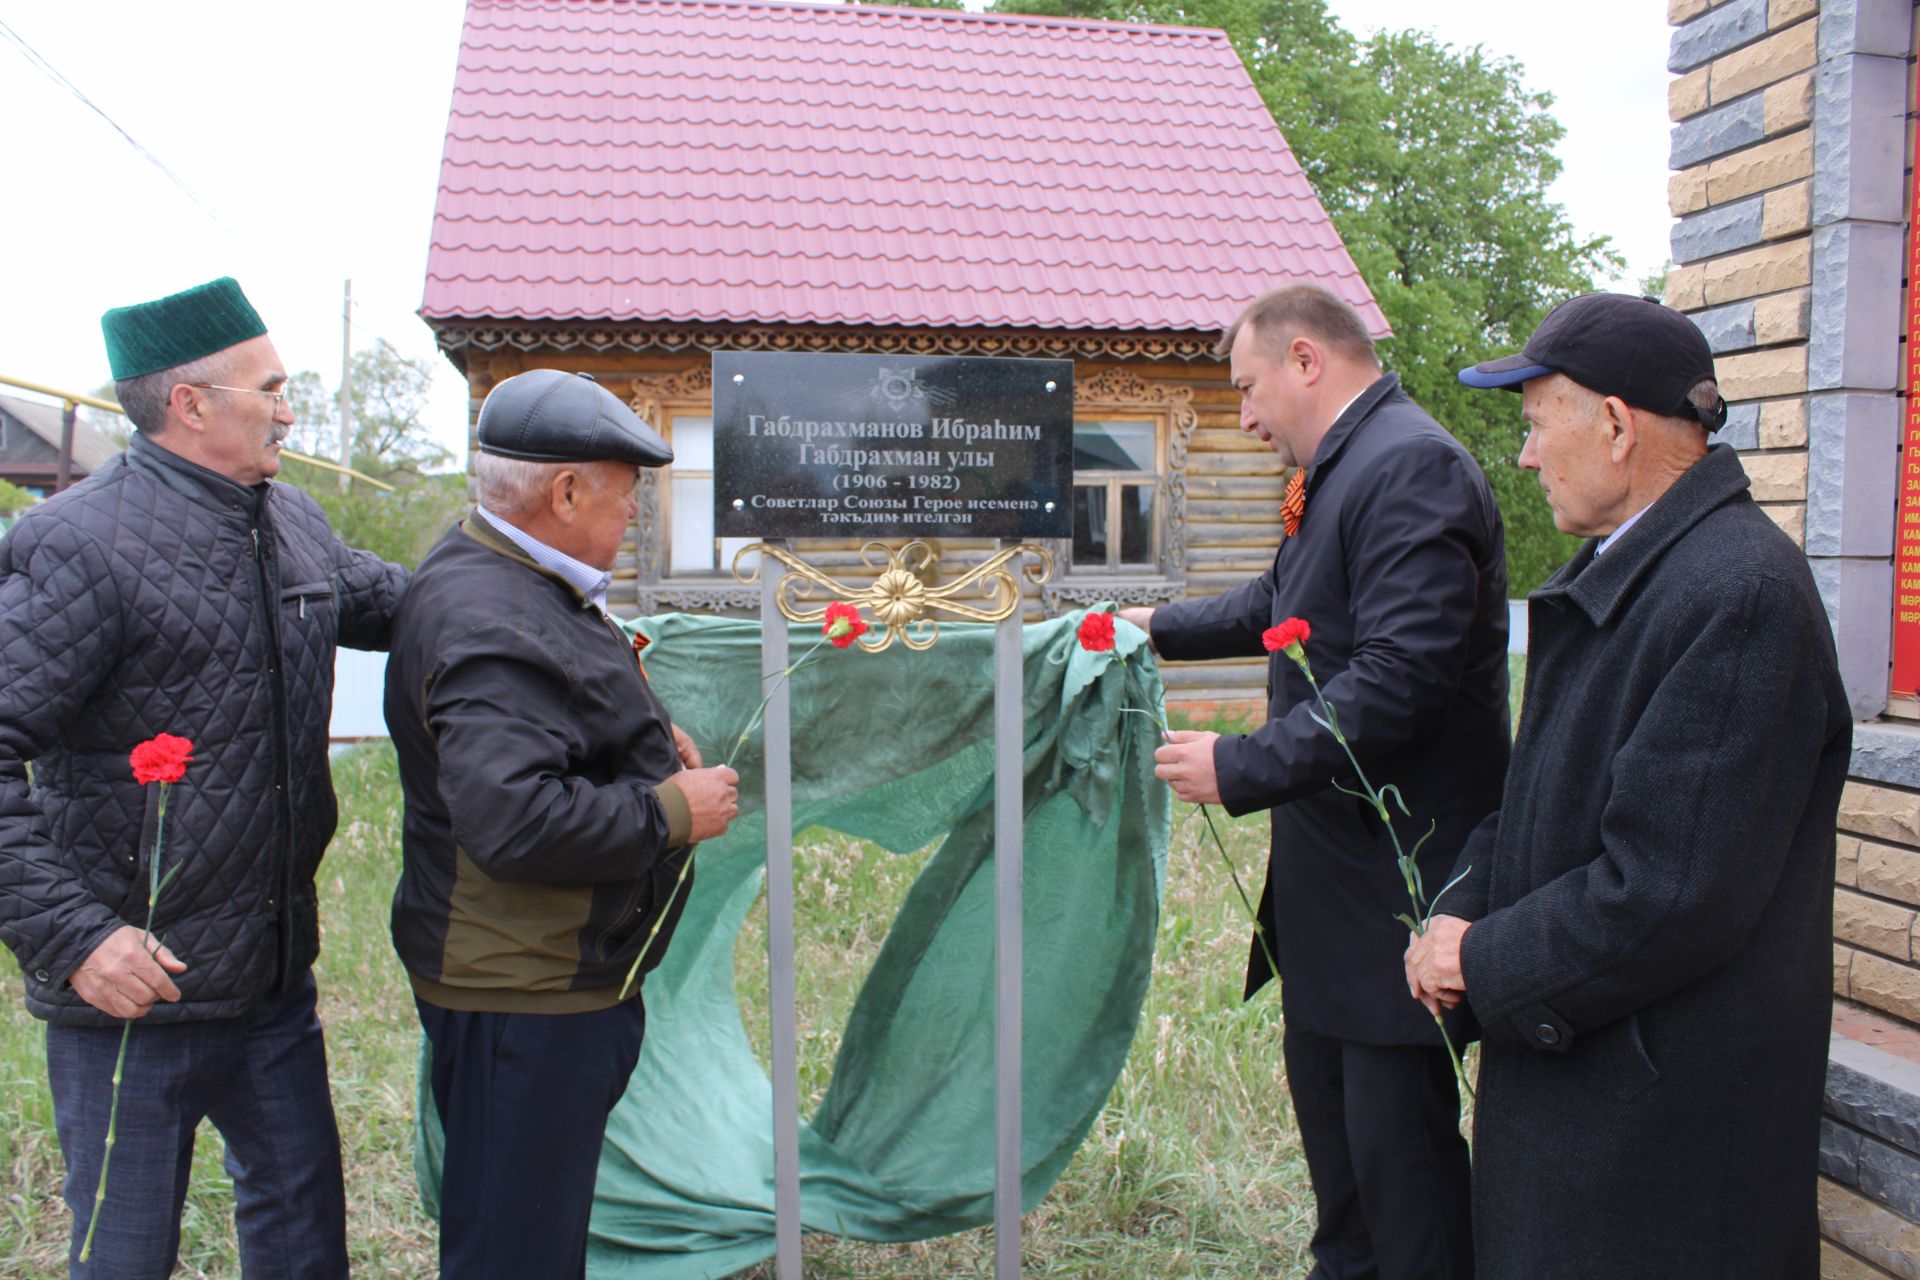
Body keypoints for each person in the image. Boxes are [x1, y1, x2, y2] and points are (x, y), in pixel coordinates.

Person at [1406, 292, 1849, 1279]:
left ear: (1613, 423)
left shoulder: (1737, 594)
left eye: (1534, 423)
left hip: (1660, 1151)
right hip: (1590, 1108)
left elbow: (1669, 889)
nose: (1523, 457)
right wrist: (1462, 913)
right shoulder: (1636, 573)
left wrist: (1489, 957)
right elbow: (1539, 801)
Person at [0, 276, 409, 1277]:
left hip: (270, 986)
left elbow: (415, 606)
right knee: (126, 1252)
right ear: (191, 404)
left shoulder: (293, 520)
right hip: (131, 995)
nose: (288, 409)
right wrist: (75, 936)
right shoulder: (80, 546)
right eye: (270, 388)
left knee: (305, 1241)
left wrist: (553, 594)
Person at [1122, 284, 1508, 1280]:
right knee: (1345, 1177)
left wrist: (1240, 762)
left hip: (1396, 895)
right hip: (1333, 899)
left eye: (1248, 389)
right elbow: (1283, 599)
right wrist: (1154, 626)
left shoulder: (1411, 466)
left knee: (1401, 1175)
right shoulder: (1346, 465)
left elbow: (1399, 682)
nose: (1243, 417)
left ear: (1306, 360)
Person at [385, 368, 740, 1280]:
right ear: (566, 490)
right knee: (514, 1251)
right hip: (524, 993)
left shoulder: (512, 575)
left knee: (529, 1230)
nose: (632, 518)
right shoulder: (492, 614)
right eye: (624, 497)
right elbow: (513, 820)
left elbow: (547, 720)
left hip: (542, 974)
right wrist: (672, 807)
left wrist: (643, 738)